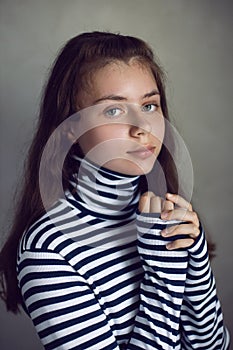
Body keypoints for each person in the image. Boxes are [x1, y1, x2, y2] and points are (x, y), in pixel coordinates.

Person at [0, 31, 230, 349]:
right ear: (69, 129)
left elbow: (213, 345)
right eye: (113, 110)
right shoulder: (48, 251)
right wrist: (164, 273)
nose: (143, 127)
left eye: (150, 105)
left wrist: (196, 258)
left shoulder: (168, 216)